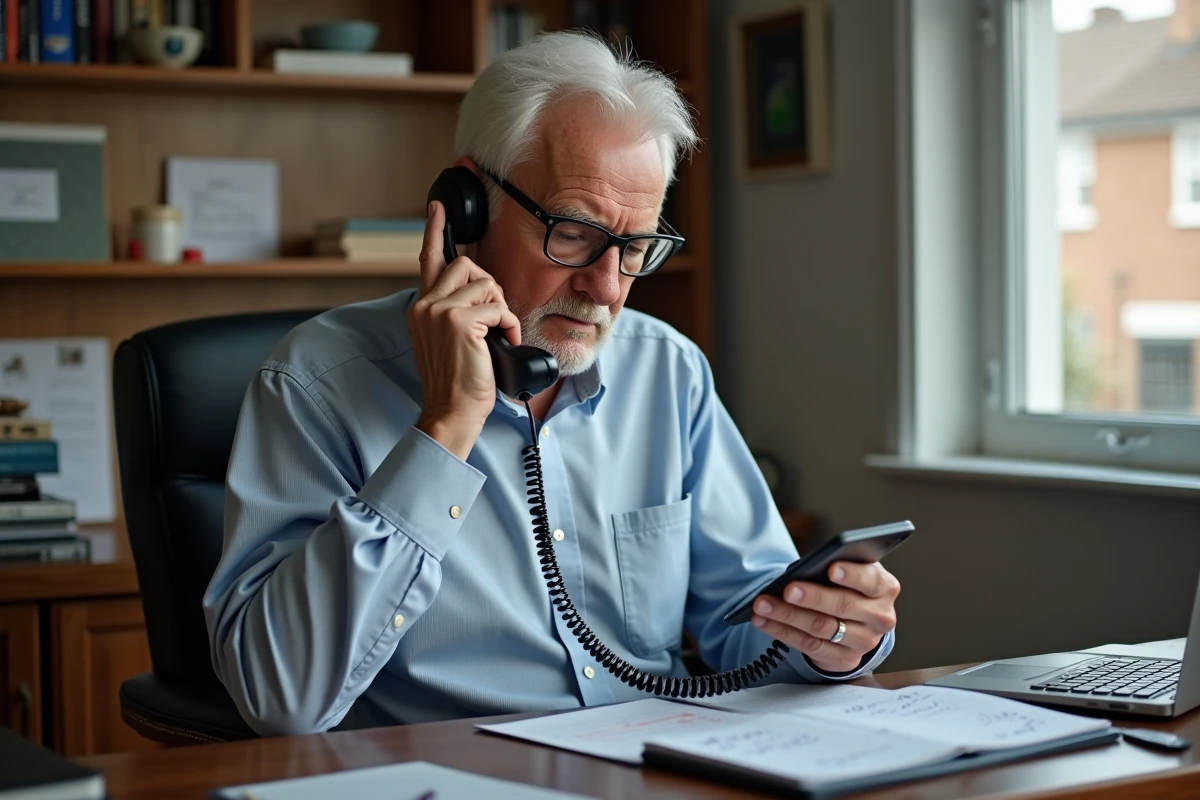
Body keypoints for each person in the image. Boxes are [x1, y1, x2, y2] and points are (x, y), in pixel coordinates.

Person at [203, 31, 900, 737]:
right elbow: (278, 698)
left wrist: (832, 635)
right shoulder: (316, 382)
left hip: (660, 769)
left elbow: (749, 631)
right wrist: (444, 430)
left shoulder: (668, 372)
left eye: (636, 248)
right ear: (468, 205)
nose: (606, 288)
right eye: (574, 233)